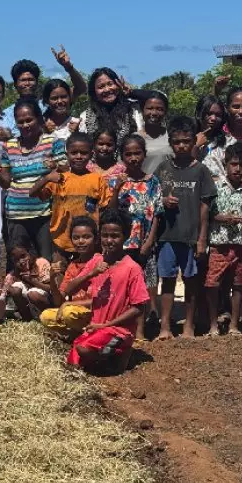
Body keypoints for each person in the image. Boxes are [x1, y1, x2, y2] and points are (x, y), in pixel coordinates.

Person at [155, 117, 217, 340]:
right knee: (168, 280)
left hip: (191, 236)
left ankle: (188, 326)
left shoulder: (200, 171)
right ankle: (165, 327)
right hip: (167, 236)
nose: (182, 146)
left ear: (194, 143)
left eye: (186, 141)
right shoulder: (163, 169)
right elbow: (152, 196)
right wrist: (162, 201)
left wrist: (202, 238)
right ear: (170, 142)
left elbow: (205, 206)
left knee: (191, 281)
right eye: (177, 142)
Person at [68, 208, 149, 374]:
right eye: (105, 235)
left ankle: (120, 354)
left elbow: (139, 308)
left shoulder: (132, 268)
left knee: (83, 350)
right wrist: (91, 273)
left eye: (115, 236)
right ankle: (106, 357)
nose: (109, 240)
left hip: (119, 329)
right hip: (97, 327)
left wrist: (106, 324)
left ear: (125, 236)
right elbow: (68, 289)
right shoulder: (97, 261)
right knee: (72, 362)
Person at [0, 100, 67, 261]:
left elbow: (65, 173)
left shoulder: (53, 142)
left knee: (46, 260)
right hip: (16, 215)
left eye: (29, 120)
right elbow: (6, 182)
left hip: (45, 214)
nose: (25, 125)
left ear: (39, 119)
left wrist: (54, 167)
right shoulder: (9, 146)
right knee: (20, 262)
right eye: (20, 122)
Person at [109, 134, 163, 339]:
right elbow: (110, 212)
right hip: (122, 244)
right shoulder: (117, 181)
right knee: (124, 286)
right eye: (128, 154)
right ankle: (123, 330)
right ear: (122, 156)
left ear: (144, 155)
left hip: (144, 242)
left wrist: (149, 242)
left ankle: (141, 331)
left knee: (142, 287)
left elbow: (157, 213)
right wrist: (116, 189)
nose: (133, 158)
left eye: (137, 153)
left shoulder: (152, 181)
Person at [28, 132, 109, 261]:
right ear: (67, 155)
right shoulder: (58, 178)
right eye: (74, 153)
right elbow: (32, 193)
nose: (78, 156)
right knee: (58, 273)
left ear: (91, 155)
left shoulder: (97, 179)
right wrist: (47, 178)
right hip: (61, 239)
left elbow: (105, 208)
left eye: (83, 153)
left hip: (88, 241)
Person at [204, 144, 242, 337]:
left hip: (240, 245)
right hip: (219, 244)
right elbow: (207, 214)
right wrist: (220, 218)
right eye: (233, 164)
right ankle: (213, 324)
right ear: (225, 165)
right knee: (212, 283)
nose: (237, 169)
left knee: (237, 284)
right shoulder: (215, 188)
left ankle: (234, 325)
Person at [40, 216, 100, 337]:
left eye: (86, 237)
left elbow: (102, 301)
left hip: (93, 312)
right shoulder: (73, 265)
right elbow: (59, 301)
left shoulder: (100, 262)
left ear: (95, 239)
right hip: (74, 312)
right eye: (76, 238)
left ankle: (83, 332)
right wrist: (52, 279)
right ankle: (79, 332)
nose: (80, 241)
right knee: (45, 316)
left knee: (68, 313)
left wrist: (70, 305)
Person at [79, 67, 143, 145]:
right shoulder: (85, 117)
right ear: (94, 92)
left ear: (118, 84)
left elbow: (158, 98)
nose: (107, 89)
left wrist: (132, 92)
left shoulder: (134, 110)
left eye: (110, 84)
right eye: (101, 87)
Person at [3, 239, 52, 321]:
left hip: (45, 301)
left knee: (32, 294)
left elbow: (51, 288)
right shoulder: (15, 272)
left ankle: (48, 317)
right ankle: (27, 318)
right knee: (15, 288)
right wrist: (8, 288)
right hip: (31, 308)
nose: (21, 261)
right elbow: (5, 290)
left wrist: (32, 280)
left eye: (23, 256)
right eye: (16, 260)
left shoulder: (41, 263)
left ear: (30, 252)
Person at [194, 95, 229, 182]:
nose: (213, 118)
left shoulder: (228, 142)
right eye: (209, 114)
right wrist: (195, 146)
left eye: (218, 115)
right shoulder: (185, 140)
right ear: (198, 114)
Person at [139, 91, 173, 174]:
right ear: (142, 110)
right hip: (143, 186)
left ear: (165, 112)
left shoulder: (172, 137)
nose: (154, 113)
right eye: (150, 108)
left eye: (160, 109)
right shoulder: (133, 139)